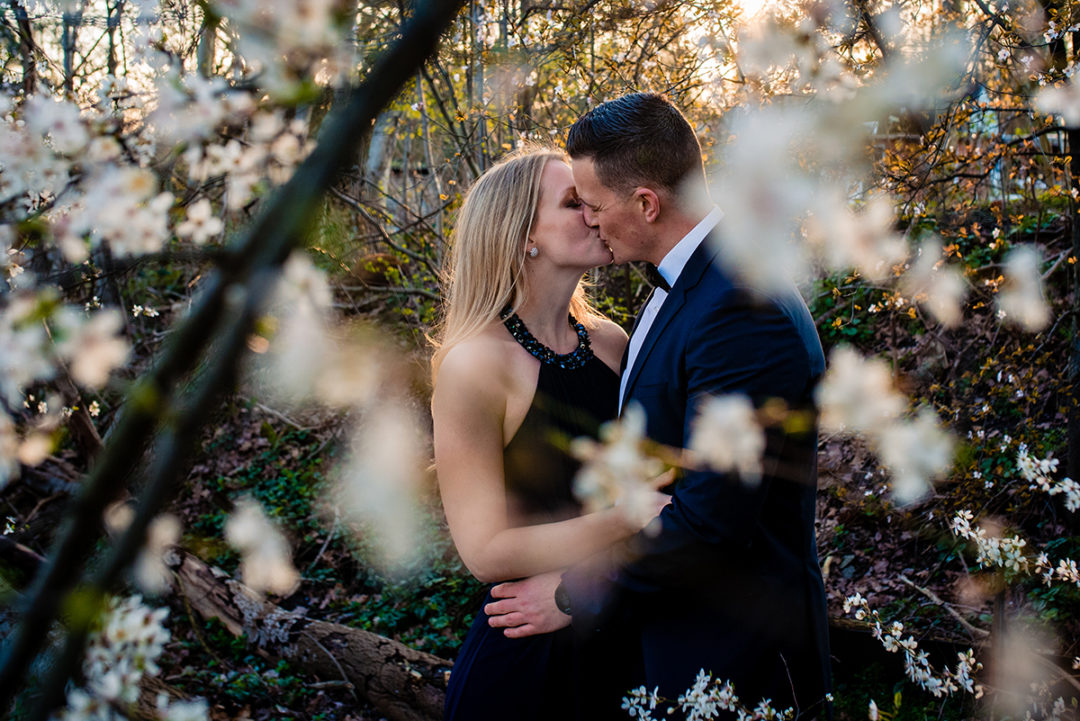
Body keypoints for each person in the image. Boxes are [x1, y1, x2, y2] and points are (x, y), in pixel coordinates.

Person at [482, 93, 833, 719]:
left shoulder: (738, 307)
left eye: (591, 205)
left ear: (646, 203)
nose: (588, 221)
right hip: (672, 650)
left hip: (735, 662)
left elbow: (709, 522)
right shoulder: (692, 288)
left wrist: (569, 594)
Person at [429, 145, 668, 721]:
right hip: (529, 670)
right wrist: (624, 520)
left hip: (624, 641)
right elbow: (485, 552)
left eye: (590, 200)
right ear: (521, 236)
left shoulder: (611, 342)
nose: (594, 212)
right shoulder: (474, 366)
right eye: (572, 202)